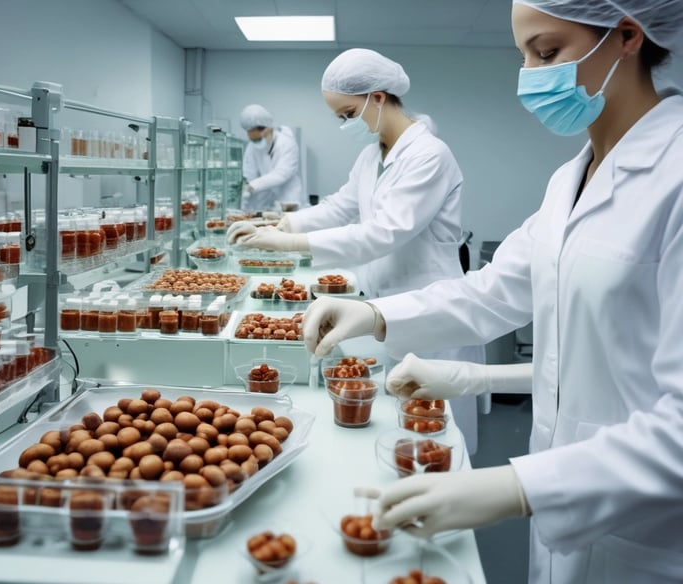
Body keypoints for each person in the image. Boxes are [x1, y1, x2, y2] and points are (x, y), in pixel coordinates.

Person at [302, 1, 683, 582]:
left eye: (547, 52)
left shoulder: (675, 177)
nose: (530, 75)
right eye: (523, 55)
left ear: (628, 36)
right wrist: (375, 314)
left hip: (648, 535)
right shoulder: (568, 179)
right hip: (566, 507)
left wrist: (519, 485)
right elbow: (492, 292)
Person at [230, 48, 486, 452]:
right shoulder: (372, 155)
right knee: (396, 423)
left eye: (348, 114)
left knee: (436, 433)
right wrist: (283, 224)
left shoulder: (428, 155)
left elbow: (384, 232)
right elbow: (342, 204)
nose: (345, 125)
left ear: (378, 98)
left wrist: (292, 244)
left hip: (430, 308)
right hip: (386, 304)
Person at [239, 104, 306, 212]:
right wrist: (245, 197)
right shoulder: (252, 147)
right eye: (253, 140)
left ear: (268, 128)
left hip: (288, 199)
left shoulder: (287, 143)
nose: (256, 143)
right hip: (264, 202)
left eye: (259, 139)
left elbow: (282, 174)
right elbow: (249, 174)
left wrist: (252, 186)